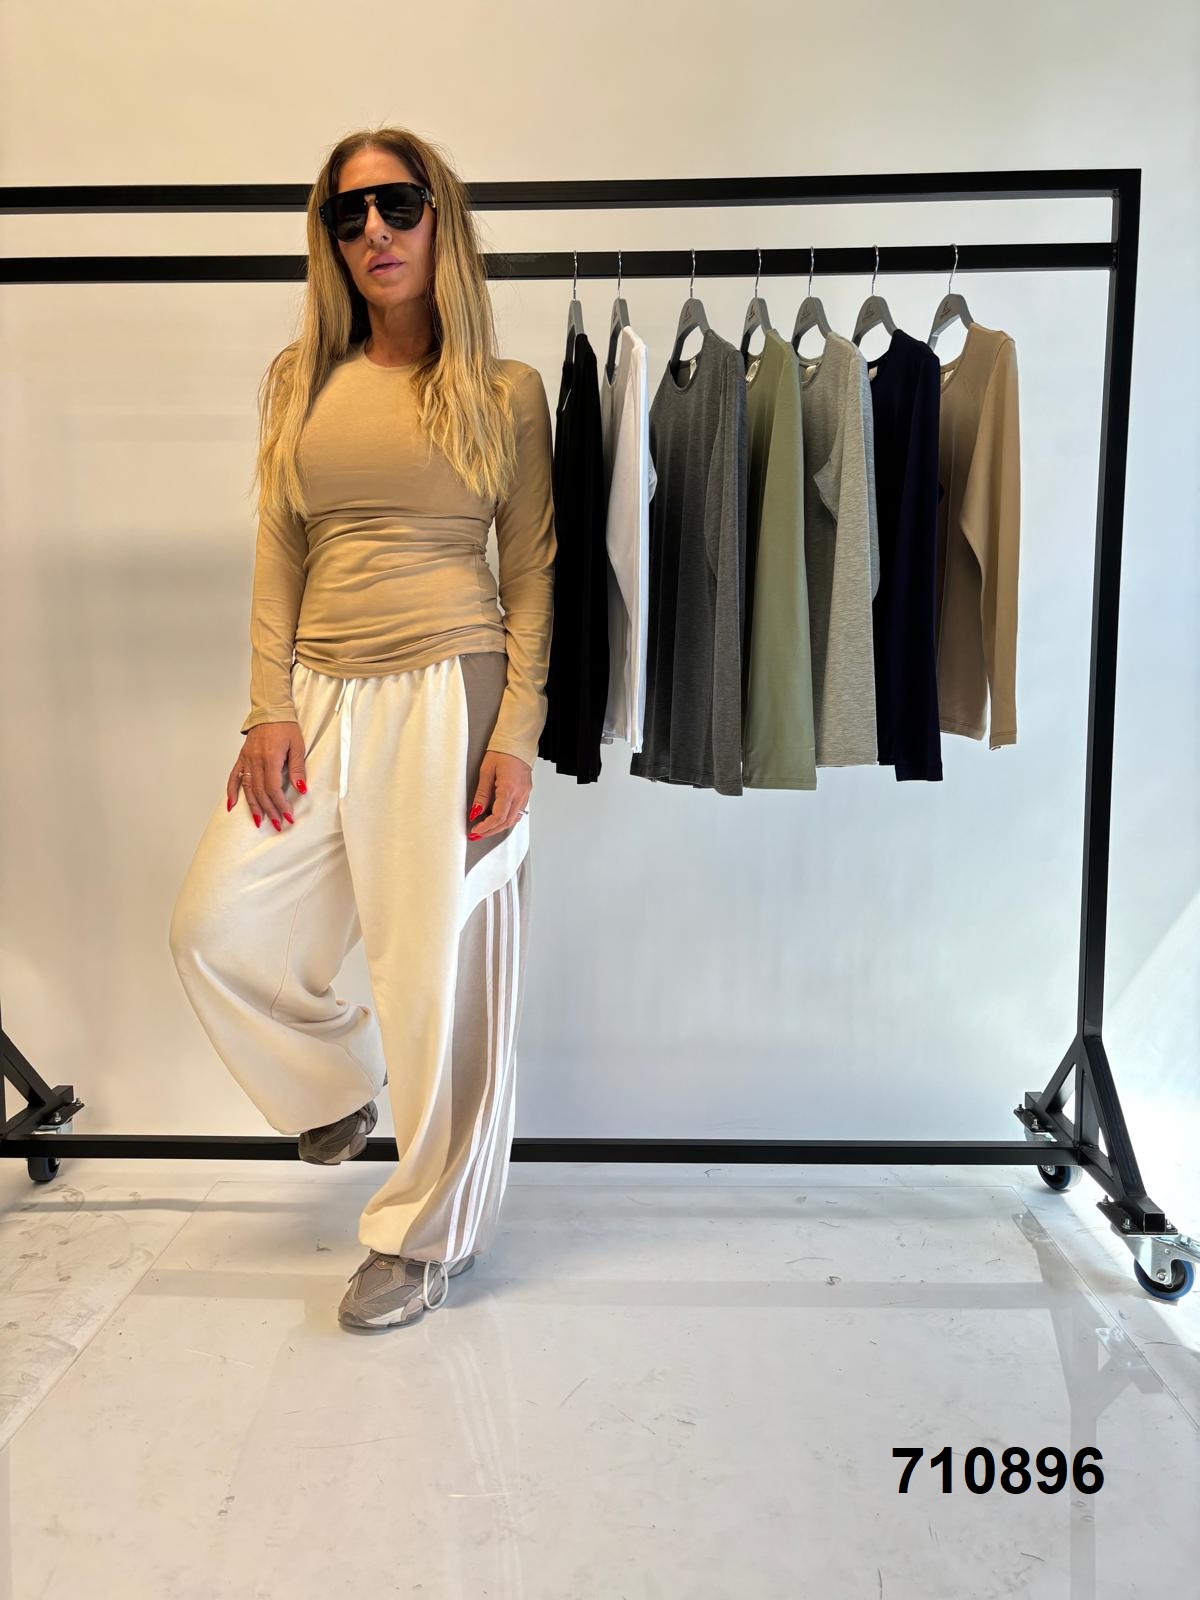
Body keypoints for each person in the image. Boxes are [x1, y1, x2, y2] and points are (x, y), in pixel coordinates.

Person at [168, 126, 556, 1333]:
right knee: (214, 925)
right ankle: (333, 1087)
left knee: (430, 977)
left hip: (451, 689)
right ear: (328, 239)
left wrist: (516, 732)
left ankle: (426, 1236)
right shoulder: (300, 378)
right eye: (349, 215)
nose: (374, 231)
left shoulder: (504, 390)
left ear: (441, 217)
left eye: (396, 204)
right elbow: (278, 546)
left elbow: (532, 569)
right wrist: (268, 705)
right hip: (322, 692)